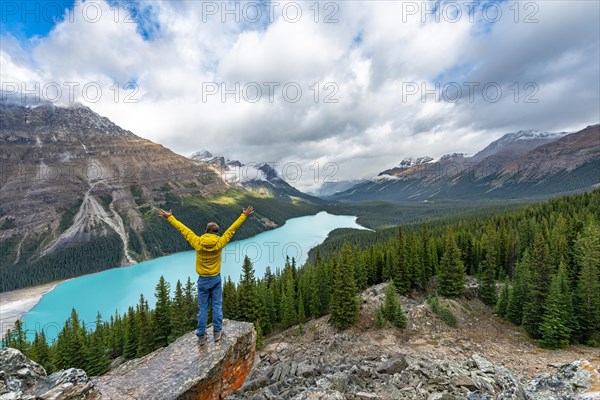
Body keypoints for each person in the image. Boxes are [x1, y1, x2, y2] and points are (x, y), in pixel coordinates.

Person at [158, 205, 254, 345]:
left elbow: (183, 229)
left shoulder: (197, 242)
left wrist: (170, 217)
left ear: (206, 231)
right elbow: (232, 229)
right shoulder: (220, 242)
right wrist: (244, 215)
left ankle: (201, 335)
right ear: (216, 233)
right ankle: (217, 333)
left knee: (203, 308)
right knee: (217, 306)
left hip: (203, 280)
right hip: (215, 278)